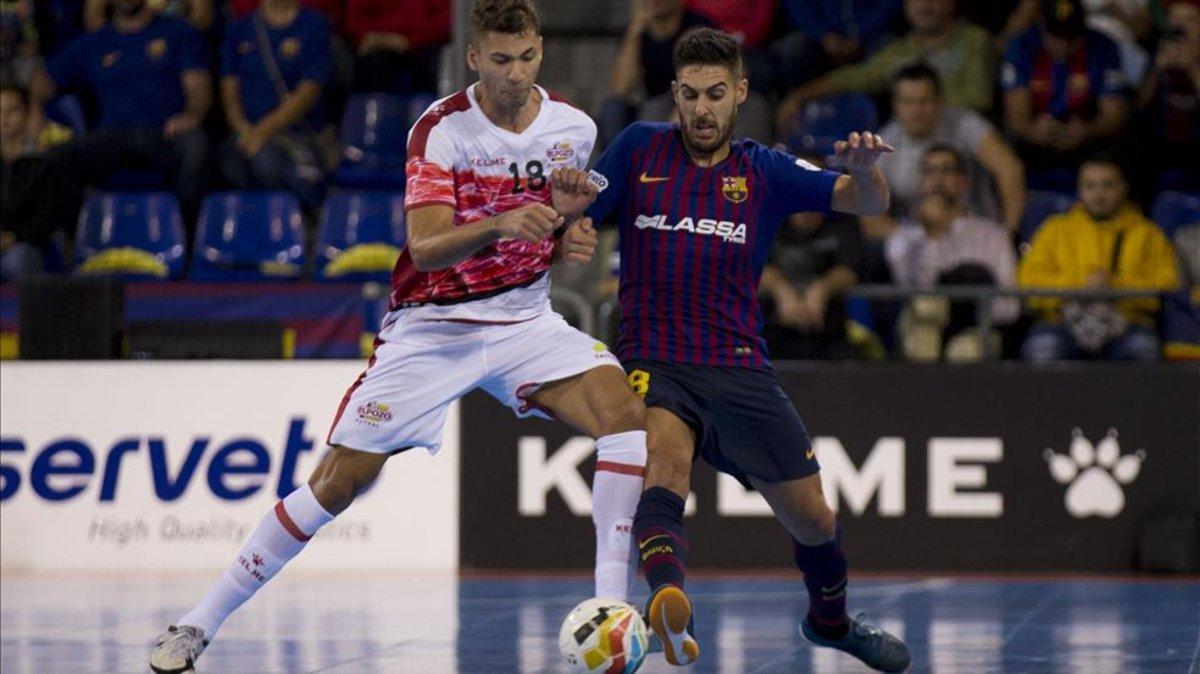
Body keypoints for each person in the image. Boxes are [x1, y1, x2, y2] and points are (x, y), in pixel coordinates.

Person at [148, 2, 650, 672]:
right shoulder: (439, 130)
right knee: (337, 482)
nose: (514, 74)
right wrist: (504, 223)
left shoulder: (572, 128)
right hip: (431, 328)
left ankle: (611, 613)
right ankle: (197, 624)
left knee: (623, 415)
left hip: (525, 321)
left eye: (526, 57)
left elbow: (555, 230)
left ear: (539, 51)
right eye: (500, 60)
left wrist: (568, 237)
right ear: (474, 57)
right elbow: (428, 245)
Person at [580, 26, 910, 672]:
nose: (703, 109)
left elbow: (862, 201)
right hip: (655, 361)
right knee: (665, 466)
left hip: (739, 368)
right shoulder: (638, 149)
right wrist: (572, 222)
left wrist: (868, 174)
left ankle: (831, 622)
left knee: (814, 520)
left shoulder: (765, 168)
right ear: (674, 93)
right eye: (691, 95)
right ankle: (669, 599)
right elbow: (581, 207)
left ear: (740, 94)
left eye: (716, 94)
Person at [33, 0, 211, 225]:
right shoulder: (95, 41)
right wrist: (34, 114)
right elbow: (42, 83)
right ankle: (74, 244)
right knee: (52, 159)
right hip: (111, 136)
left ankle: (184, 238)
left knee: (195, 145)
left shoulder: (177, 31)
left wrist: (190, 115)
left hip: (164, 133)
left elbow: (199, 89)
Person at [1019, 155, 1181, 361]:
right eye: (1090, 185)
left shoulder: (1148, 233)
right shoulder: (1054, 229)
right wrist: (1081, 285)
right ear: (1079, 190)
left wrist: (1116, 285)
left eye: (1108, 185)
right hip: (1062, 321)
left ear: (1123, 188)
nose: (1099, 194)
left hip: (1127, 322)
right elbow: (1028, 281)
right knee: (1043, 348)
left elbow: (1167, 283)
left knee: (1143, 348)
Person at [776, 0, 997, 136]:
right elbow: (854, 77)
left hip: (961, 135)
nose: (924, 5)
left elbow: (978, 99)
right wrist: (799, 95)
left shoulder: (975, 41)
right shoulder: (901, 50)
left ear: (950, 3)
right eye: (915, 0)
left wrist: (917, 107)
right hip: (911, 137)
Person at [885, 144, 1019, 361]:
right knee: (924, 329)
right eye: (930, 172)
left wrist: (965, 312)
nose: (937, 180)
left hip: (976, 326)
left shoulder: (993, 235)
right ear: (921, 182)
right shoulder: (903, 239)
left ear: (964, 181)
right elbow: (910, 294)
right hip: (923, 326)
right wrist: (933, 237)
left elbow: (1009, 306)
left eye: (946, 171)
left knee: (965, 351)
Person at [875, 63, 1026, 234]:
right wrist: (912, 242)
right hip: (919, 244)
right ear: (895, 105)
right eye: (908, 102)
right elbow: (870, 218)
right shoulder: (883, 144)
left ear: (939, 100)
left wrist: (1009, 232)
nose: (916, 111)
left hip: (979, 234)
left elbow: (1009, 168)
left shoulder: (965, 123)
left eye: (924, 101)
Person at [1001, 0, 1129, 189]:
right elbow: (1016, 117)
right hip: (1033, 142)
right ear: (1042, 26)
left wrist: (1088, 130)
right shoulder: (1021, 47)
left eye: (1071, 38)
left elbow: (1114, 113)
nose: (1063, 46)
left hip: (1087, 139)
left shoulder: (1104, 47)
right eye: (1055, 36)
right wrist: (1033, 131)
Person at [219, 0, 331, 209]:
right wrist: (243, 130)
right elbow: (229, 91)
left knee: (266, 161)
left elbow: (308, 92)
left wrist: (261, 132)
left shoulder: (314, 24)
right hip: (245, 134)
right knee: (228, 162)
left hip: (295, 135)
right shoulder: (239, 28)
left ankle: (293, 226)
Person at [760, 155, 866, 360]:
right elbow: (750, 268)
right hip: (771, 333)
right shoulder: (765, 219)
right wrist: (781, 290)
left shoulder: (842, 221)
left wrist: (822, 290)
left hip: (830, 333)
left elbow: (850, 270)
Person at [602, 0, 712, 147]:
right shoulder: (639, 31)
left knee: (655, 111)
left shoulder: (697, 27)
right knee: (612, 110)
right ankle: (616, 164)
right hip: (651, 105)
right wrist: (635, 32)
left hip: (688, 105)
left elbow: (700, 87)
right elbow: (621, 88)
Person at [1135, 0, 1200, 193]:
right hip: (1162, 151)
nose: (1181, 27)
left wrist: (1192, 68)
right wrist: (1156, 71)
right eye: (1175, 19)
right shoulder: (1157, 49)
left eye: (1190, 20)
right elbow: (1139, 105)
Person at [345, 0, 450, 95]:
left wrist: (408, 41)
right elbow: (356, 18)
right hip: (376, 47)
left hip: (424, 47)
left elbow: (446, 20)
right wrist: (379, 39)